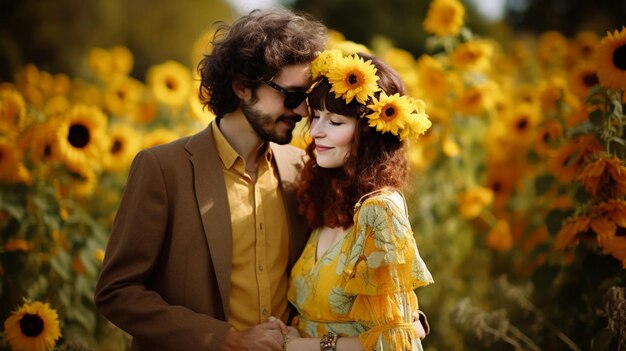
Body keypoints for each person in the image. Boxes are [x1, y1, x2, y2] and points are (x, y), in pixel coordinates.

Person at [94, 8, 326, 351]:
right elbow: (117, 292)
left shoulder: (301, 167)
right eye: (291, 96)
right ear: (242, 88)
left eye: (305, 98)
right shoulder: (161, 168)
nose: (303, 111)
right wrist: (224, 340)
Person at [282, 50, 434, 351]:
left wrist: (297, 347)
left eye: (335, 122)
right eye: (315, 117)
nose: (316, 132)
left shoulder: (380, 210)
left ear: (368, 135)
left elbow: (397, 342)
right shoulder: (331, 201)